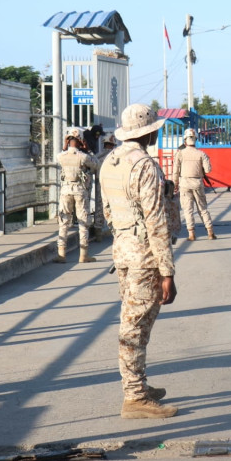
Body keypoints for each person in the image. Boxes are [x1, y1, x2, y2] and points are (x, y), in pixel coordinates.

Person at [99, 103, 178, 419]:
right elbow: (156, 221)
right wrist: (167, 270)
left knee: (136, 322)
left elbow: (106, 211)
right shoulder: (144, 166)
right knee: (135, 325)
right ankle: (134, 398)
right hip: (144, 256)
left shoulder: (111, 161)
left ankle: (139, 385)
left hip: (123, 251)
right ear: (150, 132)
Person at [54, 127, 99, 264]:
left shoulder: (60, 156)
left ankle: (61, 254)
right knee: (83, 222)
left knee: (64, 221)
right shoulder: (84, 157)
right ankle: (83, 255)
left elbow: (61, 155)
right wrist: (88, 149)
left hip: (65, 191)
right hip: (80, 191)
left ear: (67, 140)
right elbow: (95, 165)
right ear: (81, 141)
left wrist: (64, 147)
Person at [173, 128, 216, 241]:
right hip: (198, 183)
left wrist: (175, 183)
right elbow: (208, 170)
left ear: (185, 140)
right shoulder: (202, 154)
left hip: (184, 184)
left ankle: (191, 234)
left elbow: (175, 171)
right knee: (202, 208)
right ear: (195, 139)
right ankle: (210, 232)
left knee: (188, 210)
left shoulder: (180, 154)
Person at [92, 132, 117, 242]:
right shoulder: (116, 157)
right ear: (113, 144)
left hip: (100, 184)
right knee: (115, 208)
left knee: (99, 207)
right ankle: (115, 232)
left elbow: (92, 170)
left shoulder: (98, 156)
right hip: (113, 186)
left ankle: (98, 233)